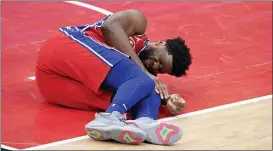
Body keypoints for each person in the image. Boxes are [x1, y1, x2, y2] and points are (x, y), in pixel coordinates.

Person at [35, 9, 192, 145]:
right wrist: (144, 72)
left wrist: (166, 99)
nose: (155, 66)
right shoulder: (138, 23)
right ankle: (108, 118)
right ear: (160, 44)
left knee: (148, 87)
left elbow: (141, 86)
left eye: (161, 69)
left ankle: (144, 123)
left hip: (53, 83)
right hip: (64, 47)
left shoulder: (142, 74)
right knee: (144, 81)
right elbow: (109, 26)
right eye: (160, 60)